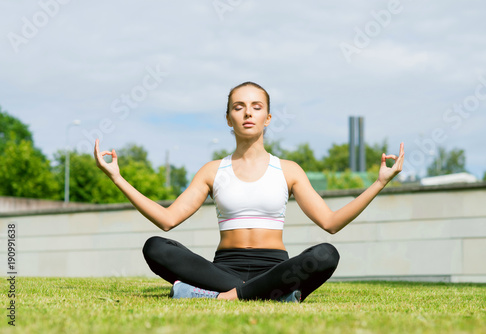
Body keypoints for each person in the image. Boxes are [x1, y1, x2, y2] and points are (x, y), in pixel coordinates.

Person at [94, 81, 404, 302]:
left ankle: (222, 296)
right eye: (238, 107)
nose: (247, 113)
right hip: (222, 267)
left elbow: (331, 223)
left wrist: (379, 183)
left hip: (277, 267)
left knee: (325, 254)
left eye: (257, 107)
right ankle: (268, 296)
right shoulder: (213, 170)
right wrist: (118, 178)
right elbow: (166, 220)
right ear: (229, 119)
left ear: (268, 118)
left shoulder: (288, 169)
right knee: (157, 247)